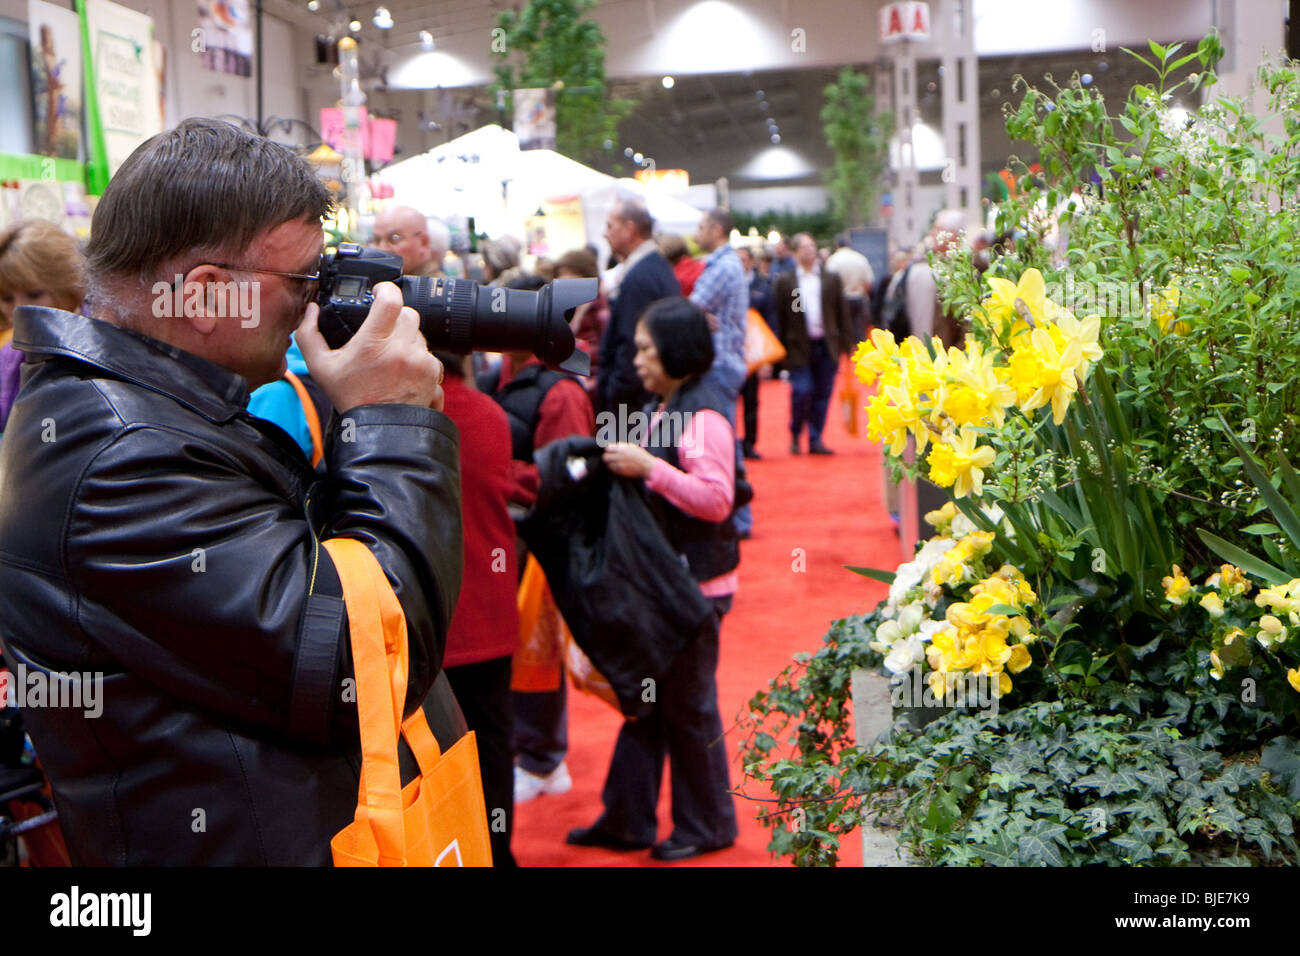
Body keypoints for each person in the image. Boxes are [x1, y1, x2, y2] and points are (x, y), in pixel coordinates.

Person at [0, 118, 463, 865]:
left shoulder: (140, 412)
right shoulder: (120, 456)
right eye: (304, 281)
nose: (318, 305)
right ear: (210, 296)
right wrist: (393, 421)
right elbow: (364, 659)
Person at [567, 297, 739, 861]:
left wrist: (651, 469)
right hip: (671, 587)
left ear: (675, 350)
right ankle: (629, 818)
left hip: (694, 592)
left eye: (645, 348)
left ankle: (706, 825)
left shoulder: (703, 413)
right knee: (651, 707)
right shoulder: (670, 405)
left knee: (687, 711)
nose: (636, 358)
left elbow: (717, 501)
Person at [477, 278, 595, 806]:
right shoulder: (499, 375)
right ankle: (535, 753)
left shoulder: (561, 389)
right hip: (505, 537)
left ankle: (544, 758)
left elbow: (570, 477)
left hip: (542, 543)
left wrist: (505, 476)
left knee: (538, 651)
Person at [436, 352, 520, 868]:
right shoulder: (490, 414)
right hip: (488, 613)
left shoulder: (385, 417)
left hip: (424, 622)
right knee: (490, 748)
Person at [0, 219, 86, 434]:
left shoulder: (101, 347)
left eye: (34, 294)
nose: (19, 309)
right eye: (6, 298)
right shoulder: (7, 356)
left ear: (67, 284)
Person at [596, 198, 680, 416]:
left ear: (629, 229)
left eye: (610, 225)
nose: (605, 234)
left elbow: (630, 344)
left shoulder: (641, 276)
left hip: (633, 404)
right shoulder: (653, 266)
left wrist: (615, 396)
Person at [774, 233, 853, 455]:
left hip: (827, 345)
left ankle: (816, 437)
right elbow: (782, 315)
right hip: (798, 346)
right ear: (796, 252)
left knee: (822, 393)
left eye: (812, 246)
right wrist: (781, 349)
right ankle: (796, 430)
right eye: (804, 247)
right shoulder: (788, 281)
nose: (809, 251)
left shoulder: (830, 279)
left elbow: (841, 312)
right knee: (802, 391)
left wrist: (846, 345)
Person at [737, 245, 775, 460]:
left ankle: (750, 442)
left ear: (751, 261)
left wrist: (767, 356)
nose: (740, 263)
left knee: (752, 399)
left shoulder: (764, 285)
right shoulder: (730, 283)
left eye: (744, 259)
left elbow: (772, 319)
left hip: (754, 350)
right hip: (732, 350)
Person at [555, 247, 609, 400]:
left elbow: (606, 353)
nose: (562, 278)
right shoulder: (570, 309)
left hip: (593, 388)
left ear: (583, 274)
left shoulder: (599, 311)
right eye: (560, 273)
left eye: (567, 272)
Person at [372, 204, 448, 278]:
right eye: (377, 240)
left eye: (394, 239)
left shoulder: (432, 288)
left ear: (423, 242)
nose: (382, 248)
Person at [825, 234, 875, 343]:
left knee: (844, 333)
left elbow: (828, 286)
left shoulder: (833, 260)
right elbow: (869, 282)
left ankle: (846, 356)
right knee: (860, 333)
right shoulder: (860, 258)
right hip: (859, 298)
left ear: (836, 245)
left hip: (842, 300)